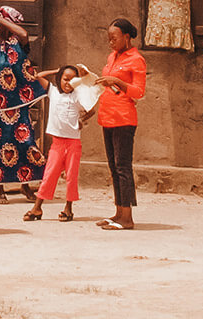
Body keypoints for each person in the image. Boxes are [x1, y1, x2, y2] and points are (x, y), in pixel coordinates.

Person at [0, 5, 46, 204]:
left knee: (24, 142)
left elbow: (24, 32)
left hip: (18, 103)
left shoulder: (17, 41)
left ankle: (26, 185)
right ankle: (0, 188)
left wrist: (2, 19)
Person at [95, 17, 146, 231]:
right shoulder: (112, 56)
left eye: (114, 38)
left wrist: (117, 82)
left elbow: (139, 92)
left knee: (123, 167)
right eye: (108, 39)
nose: (111, 42)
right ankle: (118, 211)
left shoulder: (136, 59)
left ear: (126, 37)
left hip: (124, 119)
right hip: (107, 117)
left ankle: (127, 217)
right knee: (114, 167)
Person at [25, 65, 89, 222]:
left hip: (74, 143)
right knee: (49, 175)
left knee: (71, 177)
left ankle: (68, 209)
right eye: (65, 79)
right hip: (57, 143)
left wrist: (82, 119)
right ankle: (37, 208)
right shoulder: (53, 92)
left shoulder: (78, 96)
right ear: (59, 79)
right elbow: (38, 75)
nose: (68, 83)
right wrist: (56, 70)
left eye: (72, 80)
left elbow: (91, 110)